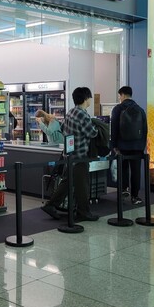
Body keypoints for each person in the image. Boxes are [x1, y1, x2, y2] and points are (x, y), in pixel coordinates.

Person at [42, 87, 98, 222]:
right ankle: (83, 212)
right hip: (80, 155)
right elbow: (92, 133)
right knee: (82, 185)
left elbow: (63, 129)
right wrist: (98, 127)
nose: (90, 100)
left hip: (69, 154)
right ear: (86, 98)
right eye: (90, 97)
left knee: (67, 182)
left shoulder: (70, 112)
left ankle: (51, 205)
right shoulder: (83, 115)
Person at [110, 86, 147, 205]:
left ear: (122, 95)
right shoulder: (140, 109)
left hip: (122, 146)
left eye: (119, 96)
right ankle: (135, 196)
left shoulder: (118, 109)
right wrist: (142, 146)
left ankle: (124, 189)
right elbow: (145, 129)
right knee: (136, 171)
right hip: (137, 146)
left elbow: (114, 128)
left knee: (123, 169)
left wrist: (114, 145)